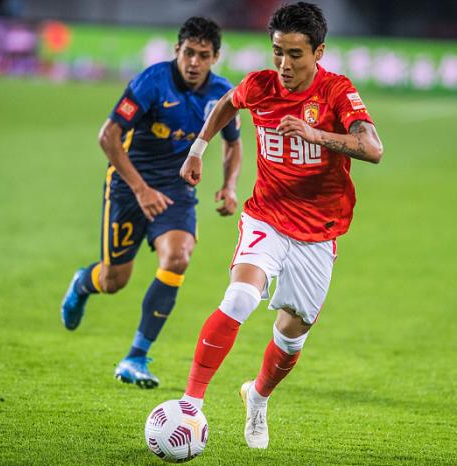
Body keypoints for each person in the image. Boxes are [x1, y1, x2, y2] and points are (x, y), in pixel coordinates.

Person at [178, 2, 383, 449]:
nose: (284, 64)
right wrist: (198, 149)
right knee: (239, 297)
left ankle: (257, 396)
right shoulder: (260, 86)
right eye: (278, 52)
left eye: (295, 54)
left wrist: (317, 135)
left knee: (291, 338)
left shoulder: (336, 91)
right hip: (266, 216)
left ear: (318, 52)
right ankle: (189, 405)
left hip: (319, 231)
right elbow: (226, 105)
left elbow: (372, 148)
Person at [61, 17, 242, 389]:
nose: (194, 62)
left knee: (178, 257)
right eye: (188, 53)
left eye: (203, 55)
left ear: (215, 57)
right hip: (129, 186)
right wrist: (141, 189)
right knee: (113, 280)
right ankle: (83, 283)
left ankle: (136, 356)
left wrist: (229, 185)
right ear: (177, 50)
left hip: (176, 189)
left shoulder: (223, 94)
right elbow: (108, 136)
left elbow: (232, 143)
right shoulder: (151, 82)